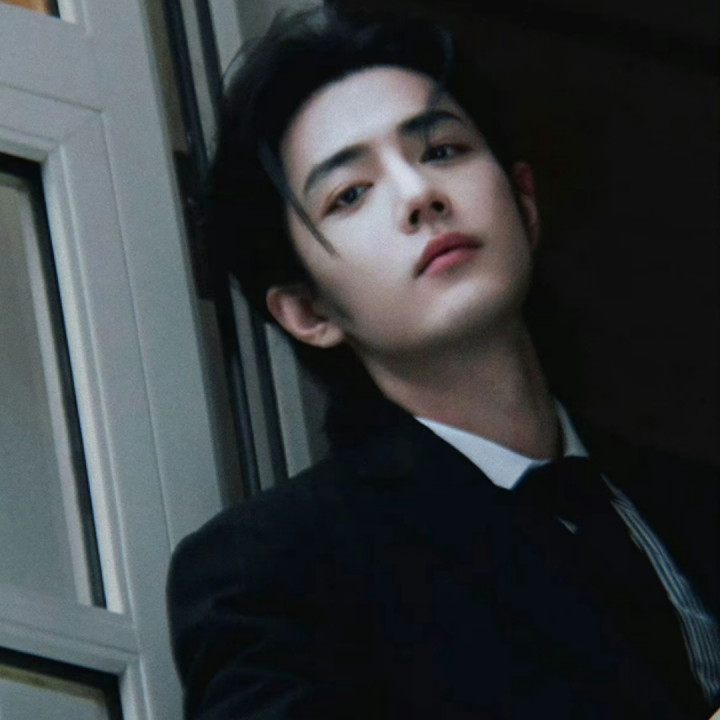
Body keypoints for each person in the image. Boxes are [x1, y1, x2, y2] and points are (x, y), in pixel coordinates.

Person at [166, 7, 720, 719]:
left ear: (524, 203)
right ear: (308, 311)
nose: (419, 195)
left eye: (443, 150)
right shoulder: (275, 570)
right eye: (350, 194)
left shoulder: (692, 499)